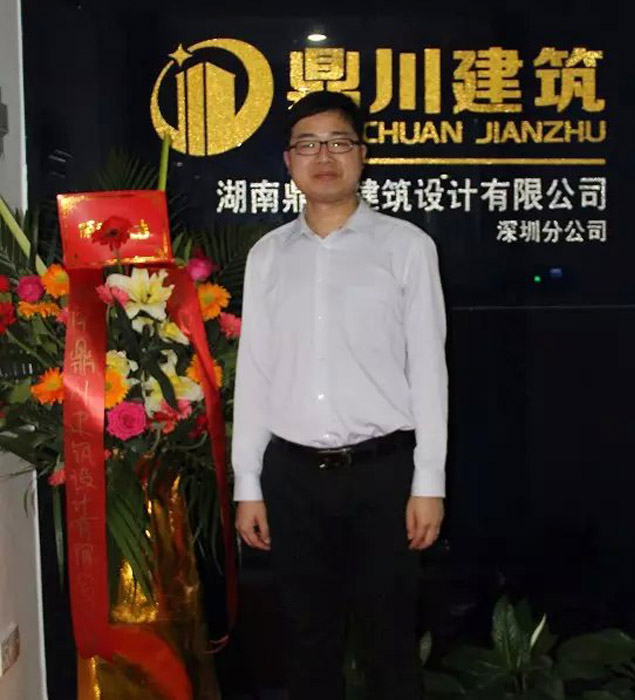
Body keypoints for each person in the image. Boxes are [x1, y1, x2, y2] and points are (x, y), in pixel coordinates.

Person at [232, 90, 448, 700]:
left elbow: (429, 369)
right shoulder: (268, 255)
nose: (323, 156)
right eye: (308, 144)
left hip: (384, 476)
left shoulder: (407, 247)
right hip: (293, 478)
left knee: (390, 646)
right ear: (288, 160)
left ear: (362, 154)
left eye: (338, 142)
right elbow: (256, 372)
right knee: (306, 645)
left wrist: (428, 481)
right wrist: (248, 484)